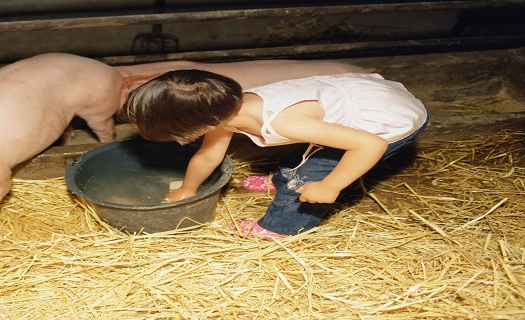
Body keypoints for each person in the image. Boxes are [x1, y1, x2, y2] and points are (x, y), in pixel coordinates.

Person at [118, 69, 429, 238]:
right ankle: (282, 180)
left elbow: (369, 145)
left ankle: (278, 228)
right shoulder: (222, 110)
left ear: (199, 123)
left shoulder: (284, 121)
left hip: (386, 121)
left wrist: (331, 186)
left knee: (309, 177)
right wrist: (187, 189)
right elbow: (208, 155)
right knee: (302, 155)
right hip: (350, 104)